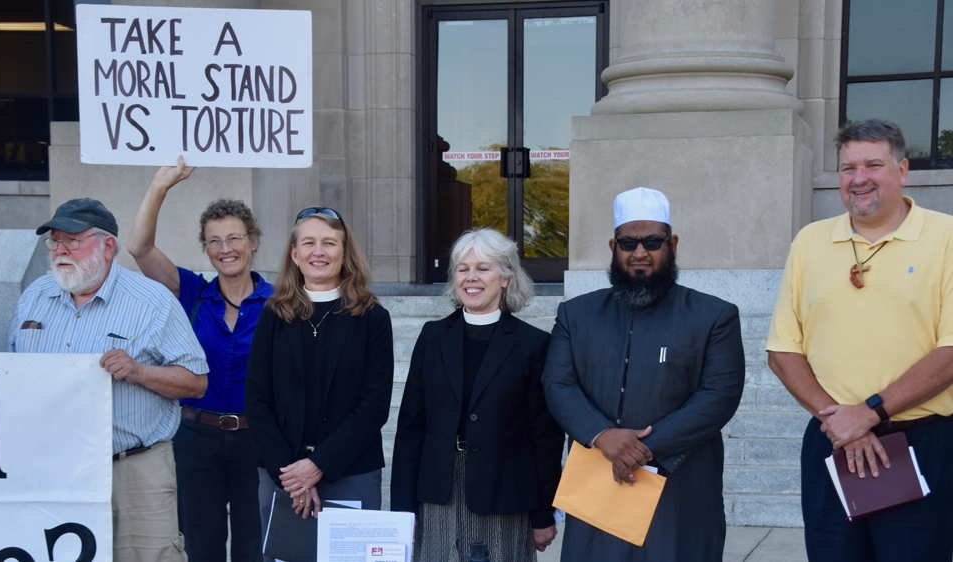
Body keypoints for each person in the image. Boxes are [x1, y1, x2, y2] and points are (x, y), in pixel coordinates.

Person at [767, 118, 953, 561]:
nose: (859, 179)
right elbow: (782, 350)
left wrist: (870, 413)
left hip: (918, 442)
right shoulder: (810, 242)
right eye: (848, 168)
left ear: (903, 170)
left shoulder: (947, 237)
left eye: (873, 164)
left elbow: (950, 353)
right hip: (831, 443)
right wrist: (842, 424)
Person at [541, 187, 745, 561]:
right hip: (598, 483)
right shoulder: (576, 315)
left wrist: (642, 448)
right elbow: (558, 384)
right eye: (628, 242)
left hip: (679, 486)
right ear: (612, 247)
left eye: (652, 242)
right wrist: (603, 435)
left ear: (673, 244)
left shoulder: (713, 316)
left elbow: (719, 395)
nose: (639, 253)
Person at [8, 198, 209, 562]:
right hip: (54, 468)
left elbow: (196, 382)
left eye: (72, 240)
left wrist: (140, 371)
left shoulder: (152, 301)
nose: (60, 251)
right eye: (54, 241)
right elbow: (10, 380)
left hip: (135, 469)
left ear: (108, 245)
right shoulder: (34, 298)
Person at [128, 156, 272, 562]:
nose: (226, 249)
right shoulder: (191, 291)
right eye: (214, 240)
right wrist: (161, 186)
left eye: (235, 237)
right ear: (206, 248)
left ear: (254, 240)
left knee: (253, 546)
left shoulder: (279, 303)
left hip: (256, 440)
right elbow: (138, 247)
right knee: (199, 546)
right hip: (195, 438)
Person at [391, 228, 564, 561]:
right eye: (463, 268)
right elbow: (411, 427)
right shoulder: (433, 337)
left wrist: (544, 513)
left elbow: (545, 437)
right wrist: (403, 509)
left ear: (505, 277)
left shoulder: (533, 345)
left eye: (483, 268)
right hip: (439, 491)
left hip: (505, 494)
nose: (471, 277)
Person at [245, 207, 394, 548]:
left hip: (351, 473)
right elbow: (256, 400)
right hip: (282, 473)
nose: (319, 252)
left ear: (344, 253)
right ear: (295, 254)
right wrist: (293, 476)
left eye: (329, 243)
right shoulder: (273, 316)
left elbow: (373, 406)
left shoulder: (372, 318)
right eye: (309, 243)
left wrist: (318, 465)